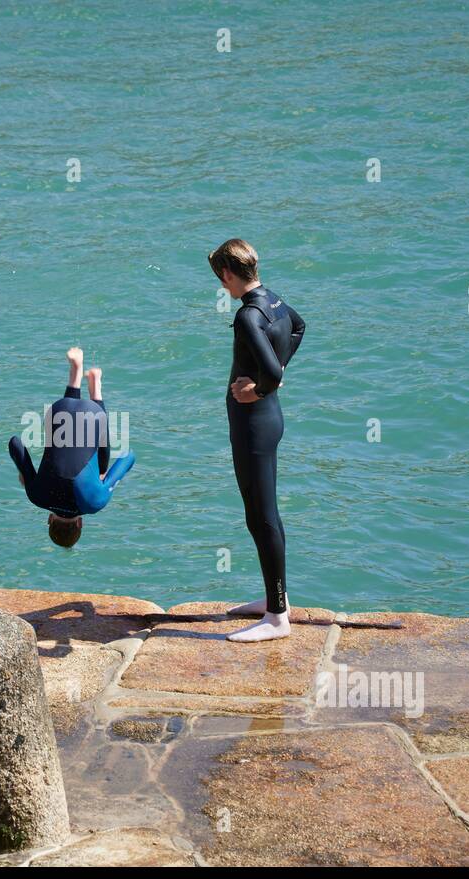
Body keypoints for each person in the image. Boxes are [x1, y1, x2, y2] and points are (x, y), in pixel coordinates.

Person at [209, 239, 306, 642]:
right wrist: (274, 373)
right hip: (270, 422)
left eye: (221, 279)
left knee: (261, 516)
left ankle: (277, 618)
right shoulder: (275, 302)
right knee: (266, 514)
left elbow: (272, 373)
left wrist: (260, 389)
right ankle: (274, 600)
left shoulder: (248, 316)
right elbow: (300, 327)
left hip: (254, 424)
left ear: (229, 275)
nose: (222, 286)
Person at [8, 347, 135, 548]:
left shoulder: (95, 503)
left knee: (99, 466)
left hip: (94, 417)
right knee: (66, 434)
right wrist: (23, 473)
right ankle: (75, 373)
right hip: (59, 409)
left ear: (80, 523)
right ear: (49, 520)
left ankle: (95, 388)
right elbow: (15, 443)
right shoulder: (36, 497)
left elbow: (129, 457)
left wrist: (107, 479)